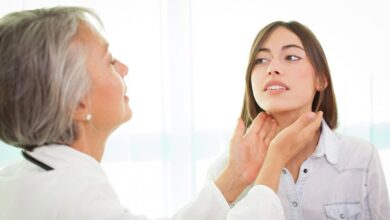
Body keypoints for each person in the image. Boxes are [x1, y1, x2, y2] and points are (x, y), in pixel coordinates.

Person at [0, 7, 324, 220]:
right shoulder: (75, 202)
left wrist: (237, 176)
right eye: (109, 60)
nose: (124, 68)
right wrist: (275, 160)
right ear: (77, 103)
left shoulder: (29, 180)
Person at [207, 21, 390, 219]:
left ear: (320, 79)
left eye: (291, 57)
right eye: (260, 60)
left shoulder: (362, 156)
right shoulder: (225, 170)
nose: (272, 68)